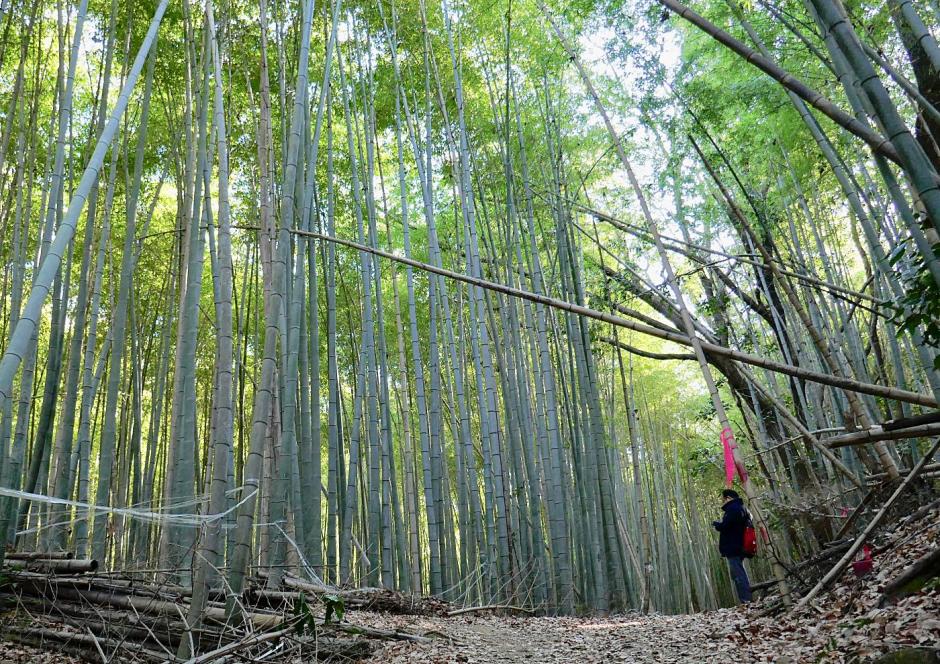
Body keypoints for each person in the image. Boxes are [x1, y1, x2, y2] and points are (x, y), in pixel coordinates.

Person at [713, 489, 752, 604]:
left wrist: (717, 524)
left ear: (729, 498)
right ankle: (746, 599)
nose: (723, 502)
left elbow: (726, 526)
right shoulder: (743, 508)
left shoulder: (733, 508)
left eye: (723, 499)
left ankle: (746, 600)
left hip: (733, 546)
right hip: (740, 545)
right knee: (738, 573)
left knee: (738, 574)